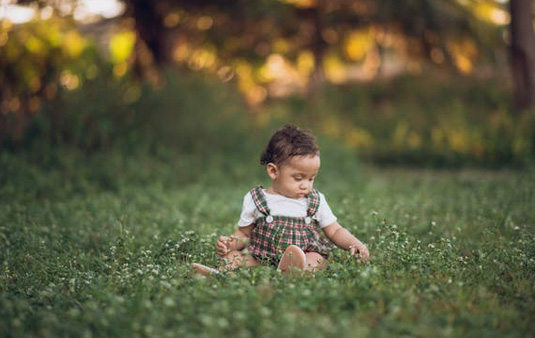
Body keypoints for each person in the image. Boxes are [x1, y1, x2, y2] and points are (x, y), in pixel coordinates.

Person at [191, 124, 369, 276]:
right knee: (234, 258)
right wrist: (230, 244)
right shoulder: (257, 199)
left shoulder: (315, 200)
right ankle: (219, 275)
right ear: (273, 171)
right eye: (298, 178)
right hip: (263, 259)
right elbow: (244, 234)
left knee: (316, 260)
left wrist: (355, 244)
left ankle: (294, 272)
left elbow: (335, 231)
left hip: (304, 255)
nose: (306, 186)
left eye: (311, 178)